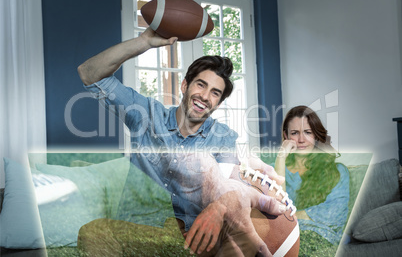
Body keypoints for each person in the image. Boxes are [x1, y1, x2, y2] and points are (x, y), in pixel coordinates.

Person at [77, 27, 287, 256]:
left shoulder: (223, 137)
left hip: (190, 240)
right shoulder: (146, 114)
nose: (205, 97)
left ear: (218, 103)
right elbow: (89, 74)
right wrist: (143, 42)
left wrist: (221, 205)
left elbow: (231, 185)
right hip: (137, 232)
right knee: (92, 232)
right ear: (185, 85)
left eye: (215, 93)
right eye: (201, 84)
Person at [274, 105, 349, 245]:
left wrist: (289, 218)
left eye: (308, 132)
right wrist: (280, 158)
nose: (301, 139)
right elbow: (276, 208)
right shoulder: (277, 169)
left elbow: (335, 215)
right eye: (295, 133)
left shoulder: (337, 171)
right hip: (286, 239)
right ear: (286, 136)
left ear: (315, 135)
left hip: (323, 240)